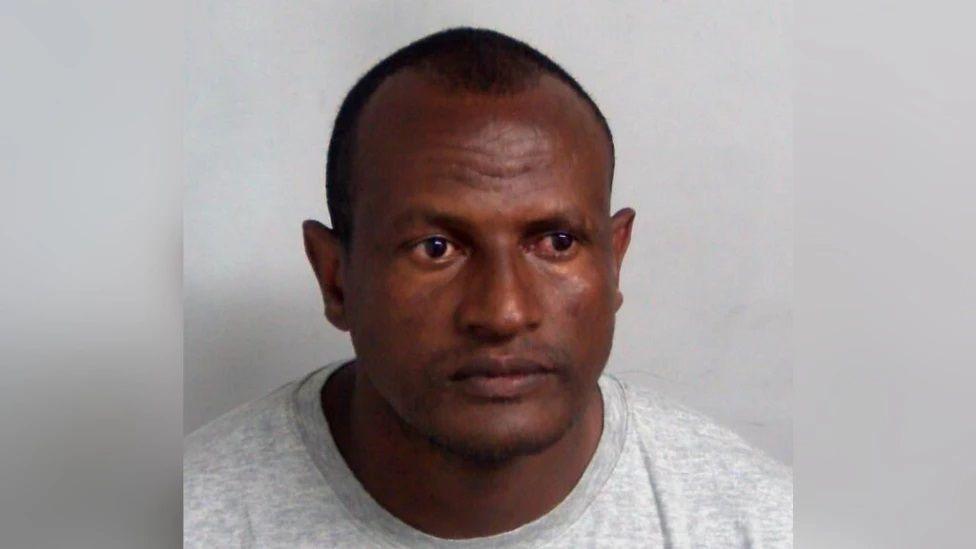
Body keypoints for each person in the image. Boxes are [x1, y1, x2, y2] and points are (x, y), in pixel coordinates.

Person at [184, 27, 792, 547]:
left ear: (615, 262)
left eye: (556, 242)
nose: (503, 312)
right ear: (335, 277)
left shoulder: (761, 526)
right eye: (437, 249)